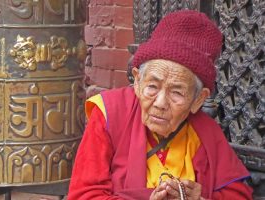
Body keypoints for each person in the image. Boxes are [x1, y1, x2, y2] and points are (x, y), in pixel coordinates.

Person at [68, 10, 253, 200]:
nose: (160, 103)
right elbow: (83, 195)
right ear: (138, 82)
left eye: (176, 93)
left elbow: (239, 195)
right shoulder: (109, 113)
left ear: (198, 99)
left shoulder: (205, 132)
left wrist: (202, 198)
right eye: (153, 87)